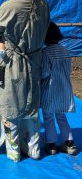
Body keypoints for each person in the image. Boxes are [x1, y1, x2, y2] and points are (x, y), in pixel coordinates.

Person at [0, 0, 50, 162]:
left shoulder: (9, 6)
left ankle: (13, 151)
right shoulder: (43, 3)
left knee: (10, 107)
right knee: (32, 106)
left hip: (14, 62)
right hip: (35, 60)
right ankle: (34, 149)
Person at [41, 22, 77, 155]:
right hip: (64, 88)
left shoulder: (45, 53)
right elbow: (67, 70)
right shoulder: (66, 51)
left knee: (48, 116)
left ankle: (51, 145)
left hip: (50, 89)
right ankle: (70, 143)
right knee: (61, 115)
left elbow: (44, 73)